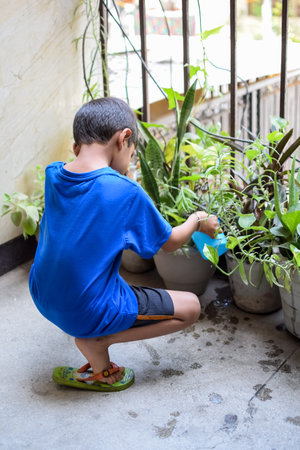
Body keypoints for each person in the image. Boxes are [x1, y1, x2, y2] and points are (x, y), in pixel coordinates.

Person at [29, 97, 220, 390]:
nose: (130, 162)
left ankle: (97, 343)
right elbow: (170, 243)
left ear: (77, 144)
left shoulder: (54, 174)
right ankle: (99, 340)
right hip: (83, 310)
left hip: (43, 295)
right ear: (124, 138)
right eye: (131, 154)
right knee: (191, 307)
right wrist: (197, 220)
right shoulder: (124, 191)